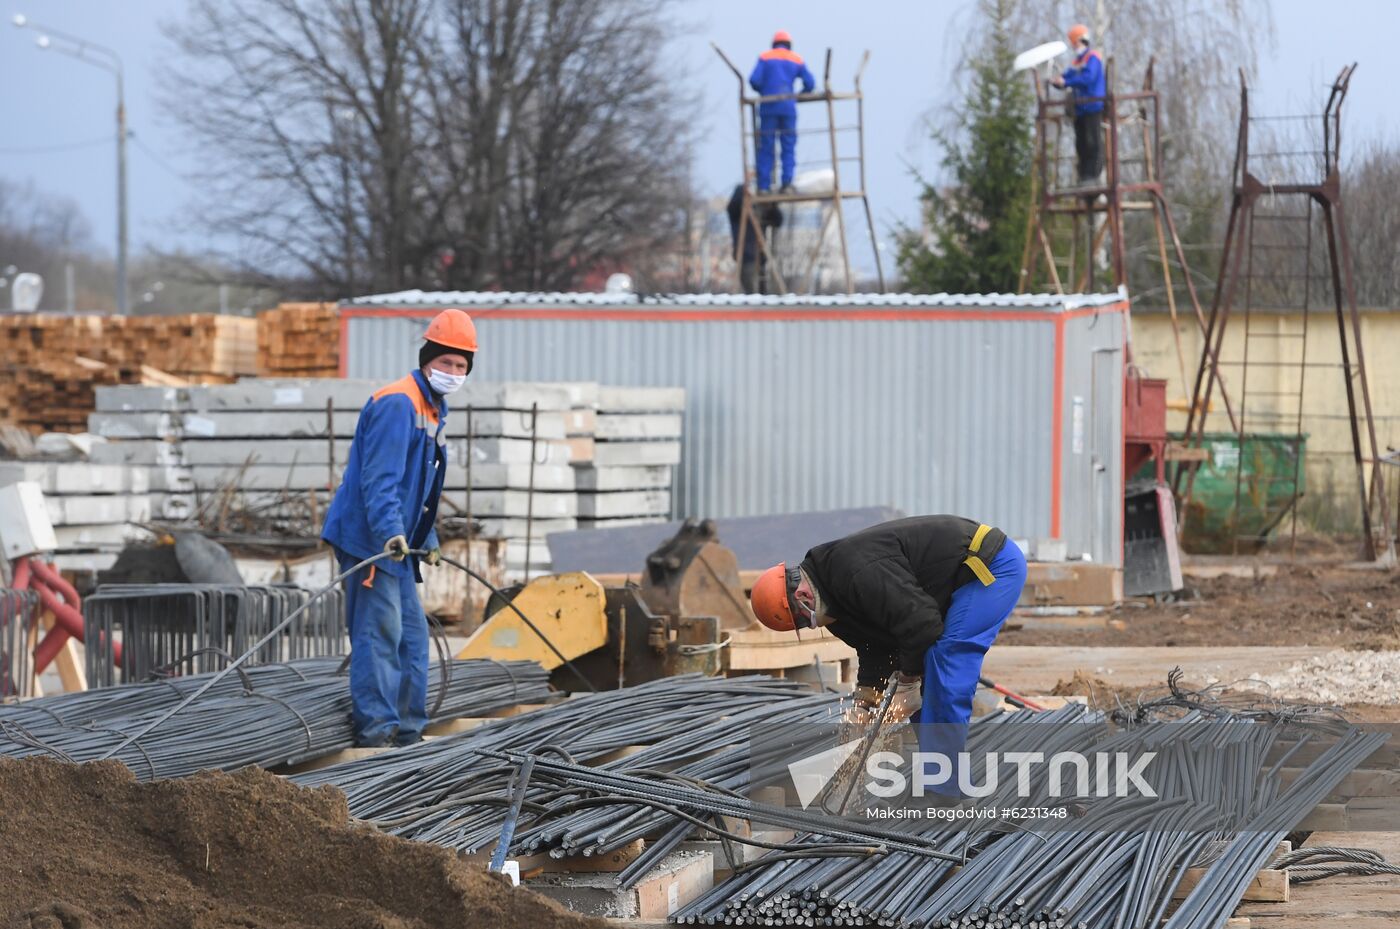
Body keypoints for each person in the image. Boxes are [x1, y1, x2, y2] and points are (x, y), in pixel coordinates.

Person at [749, 516, 1028, 793]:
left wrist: (906, 682)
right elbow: (875, 650)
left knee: (947, 659)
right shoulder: (834, 606)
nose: (810, 625)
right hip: (956, 582)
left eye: (803, 621)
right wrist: (864, 702)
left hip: (989, 565)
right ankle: (939, 780)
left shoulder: (856, 570)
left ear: (803, 598)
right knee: (924, 689)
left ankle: (944, 792)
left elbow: (922, 626)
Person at [322, 309, 477, 747]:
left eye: (461, 366)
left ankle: (409, 733)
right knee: (379, 635)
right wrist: (391, 531)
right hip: (371, 540)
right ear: (427, 359)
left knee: (412, 640)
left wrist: (426, 538)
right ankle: (377, 734)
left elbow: (422, 488)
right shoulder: (399, 403)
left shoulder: (432, 409)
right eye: (445, 362)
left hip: (400, 546)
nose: (452, 372)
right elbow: (381, 479)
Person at [748, 30, 816, 195]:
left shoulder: (765, 57)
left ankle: (764, 187)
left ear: (774, 43)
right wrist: (800, 94)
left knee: (766, 147)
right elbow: (810, 83)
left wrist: (764, 90)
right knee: (788, 146)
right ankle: (786, 184)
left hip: (768, 106)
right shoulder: (796, 59)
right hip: (788, 107)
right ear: (789, 44)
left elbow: (754, 80)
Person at [1051, 24, 1106, 185]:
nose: (1073, 46)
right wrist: (1058, 81)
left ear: (1080, 41)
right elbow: (1067, 75)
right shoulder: (1077, 62)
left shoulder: (1092, 58)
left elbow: (1088, 78)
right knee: (1081, 143)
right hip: (1080, 109)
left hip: (1092, 106)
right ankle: (1084, 176)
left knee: (1093, 142)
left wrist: (1067, 81)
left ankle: (1093, 176)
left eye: (1074, 42)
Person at [726, 182, 784, 293]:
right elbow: (734, 204)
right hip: (746, 258)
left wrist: (772, 204)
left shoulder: (760, 210)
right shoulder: (737, 211)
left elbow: (778, 221)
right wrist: (744, 189)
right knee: (752, 294)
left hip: (761, 258)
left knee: (763, 295)